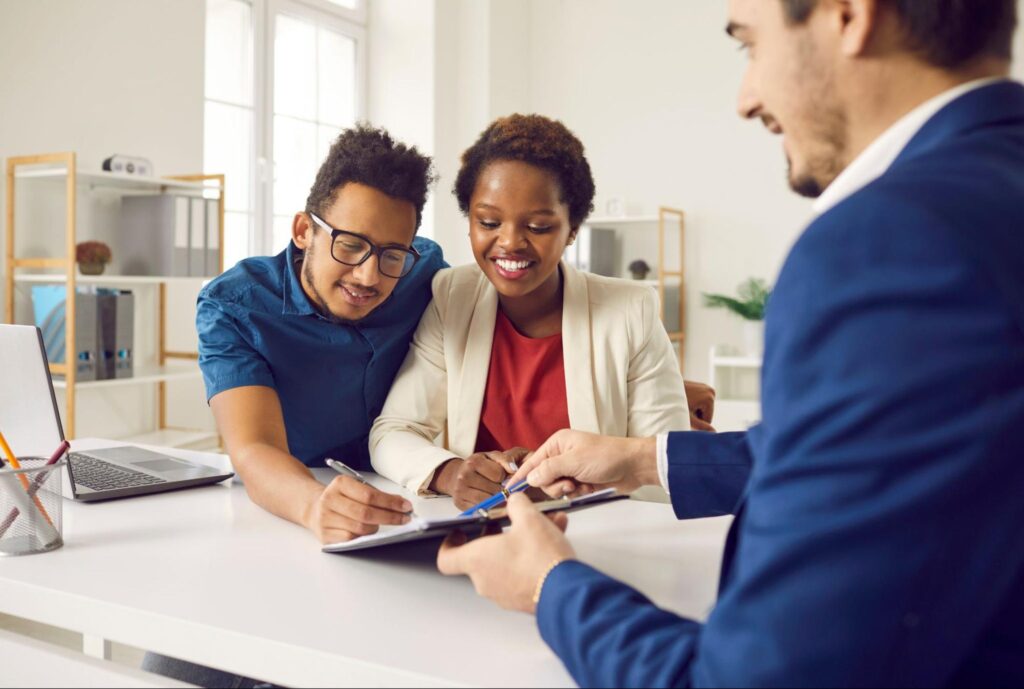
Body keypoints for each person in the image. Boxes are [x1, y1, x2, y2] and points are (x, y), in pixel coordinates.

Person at [435, 0, 1024, 686]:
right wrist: (640, 459)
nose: (747, 99)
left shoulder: (888, 243)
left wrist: (550, 587)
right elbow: (907, 454)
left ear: (848, 16)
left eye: (749, 45)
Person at [369, 114, 700, 509]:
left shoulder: (630, 311)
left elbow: (669, 471)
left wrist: (572, 487)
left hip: (593, 541)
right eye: (489, 221)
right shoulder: (452, 296)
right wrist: (451, 472)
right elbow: (392, 433)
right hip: (480, 535)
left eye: (539, 227)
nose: (510, 242)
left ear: (572, 228)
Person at [196, 124, 447, 545]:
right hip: (295, 503)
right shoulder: (234, 305)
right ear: (303, 231)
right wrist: (315, 506)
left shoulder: (423, 270)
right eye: (350, 244)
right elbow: (255, 448)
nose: (368, 276)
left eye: (391, 254)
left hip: (410, 494)